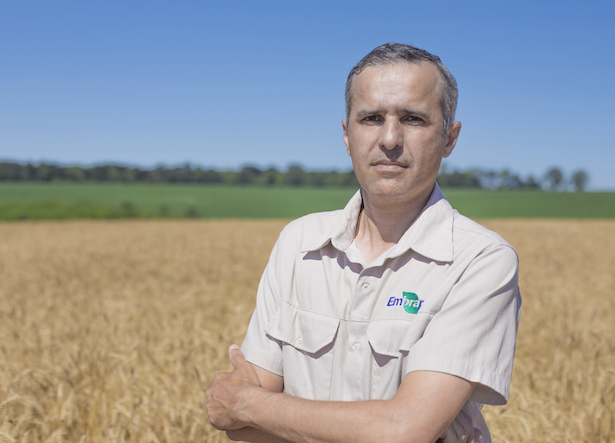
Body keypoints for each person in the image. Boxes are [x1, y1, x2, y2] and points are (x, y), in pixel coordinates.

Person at [206, 42, 521, 443]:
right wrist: (252, 413)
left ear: (449, 138)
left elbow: (405, 431)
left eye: (413, 119)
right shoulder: (298, 244)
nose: (390, 138)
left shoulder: (480, 260)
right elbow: (241, 431)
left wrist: (252, 404)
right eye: (371, 118)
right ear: (347, 134)